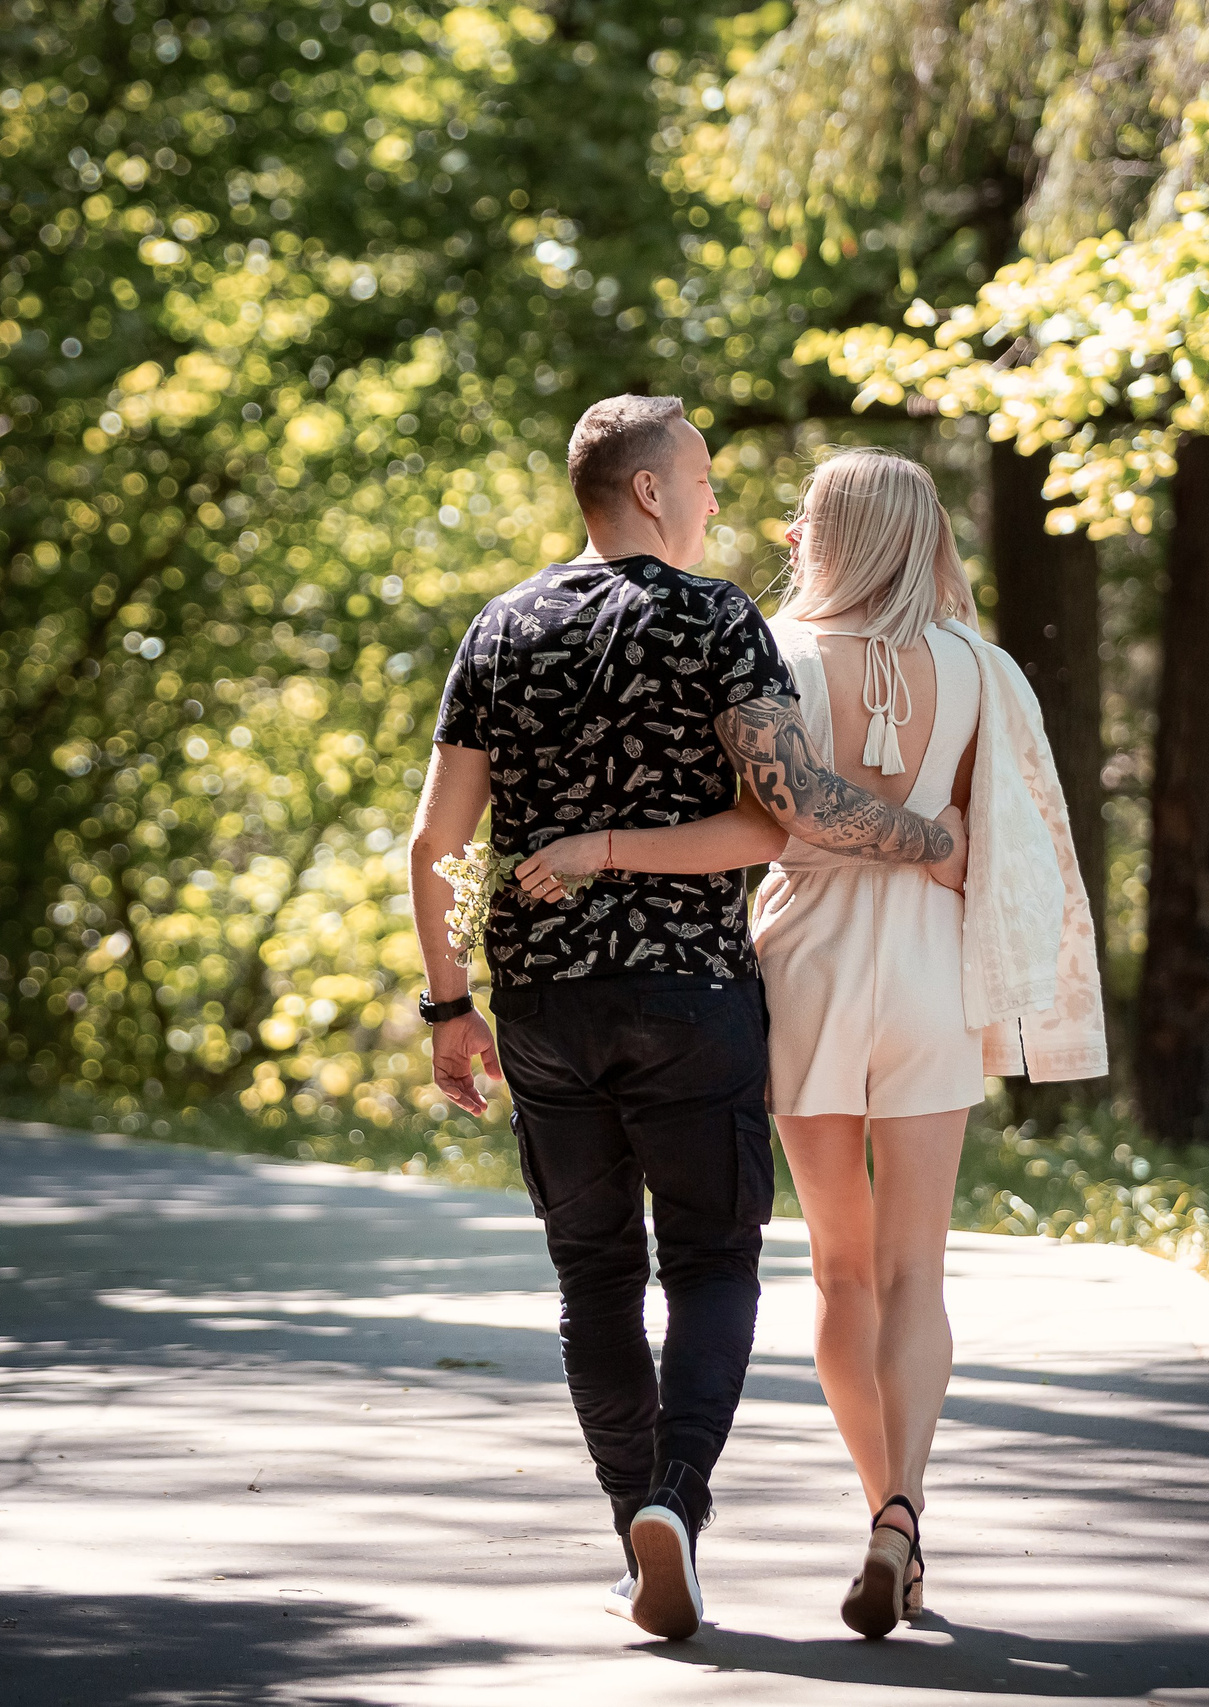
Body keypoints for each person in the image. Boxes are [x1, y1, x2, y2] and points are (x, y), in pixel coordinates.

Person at [513, 447, 1107, 1640]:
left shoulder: (771, 652)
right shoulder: (985, 674)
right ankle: (899, 1517)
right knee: (915, 1271)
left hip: (802, 972)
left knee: (839, 1271)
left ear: (823, 536)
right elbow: (1008, 846)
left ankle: (877, 1500)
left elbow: (759, 826)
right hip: (932, 975)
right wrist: (934, 842)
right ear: (924, 535)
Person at [406, 399, 966, 1642]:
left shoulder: (500, 626)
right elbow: (785, 814)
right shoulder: (716, 619)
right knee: (711, 1266)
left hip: (543, 1004)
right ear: (651, 492)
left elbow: (434, 841)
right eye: (704, 480)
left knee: (592, 1280)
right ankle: (675, 1494)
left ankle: (640, 1538)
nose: (718, 503)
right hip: (692, 996)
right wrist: (932, 839)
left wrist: (449, 1007)